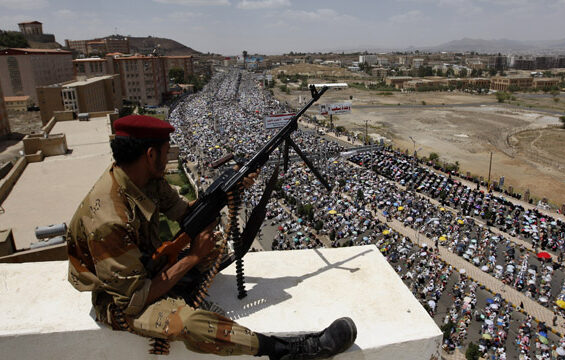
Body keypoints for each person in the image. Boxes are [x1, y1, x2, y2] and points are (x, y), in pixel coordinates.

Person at [66, 115, 356, 359]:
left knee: (213, 250)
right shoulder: (109, 220)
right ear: (150, 154)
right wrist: (192, 258)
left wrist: (231, 190)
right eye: (167, 151)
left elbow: (186, 214)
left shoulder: (142, 179)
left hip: (145, 264)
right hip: (117, 298)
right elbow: (132, 299)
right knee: (190, 324)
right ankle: (290, 349)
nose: (169, 157)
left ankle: (184, 286)